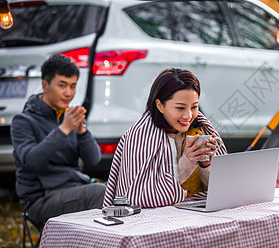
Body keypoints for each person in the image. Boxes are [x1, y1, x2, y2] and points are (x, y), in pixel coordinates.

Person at [103, 68, 227, 208]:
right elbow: (137, 198)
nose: (188, 116)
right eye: (180, 108)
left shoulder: (200, 131)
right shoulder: (141, 137)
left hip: (195, 212)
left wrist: (207, 166)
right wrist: (187, 163)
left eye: (194, 107)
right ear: (160, 105)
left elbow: (223, 191)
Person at [10, 54, 105, 230]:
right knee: (101, 193)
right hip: (41, 200)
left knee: (120, 192)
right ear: (45, 86)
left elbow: (93, 160)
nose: (68, 93)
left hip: (74, 189)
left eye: (73, 86)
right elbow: (32, 162)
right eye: (62, 85)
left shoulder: (69, 116)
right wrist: (64, 129)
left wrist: (82, 132)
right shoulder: (23, 122)